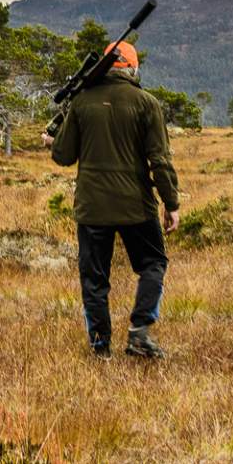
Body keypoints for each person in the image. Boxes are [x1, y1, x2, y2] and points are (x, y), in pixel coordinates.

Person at [49, 40, 181, 358]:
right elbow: (160, 160)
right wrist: (171, 203)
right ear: (132, 69)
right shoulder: (146, 103)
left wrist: (53, 138)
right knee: (153, 263)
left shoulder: (81, 101)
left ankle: (100, 347)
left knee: (94, 278)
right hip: (137, 206)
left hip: (92, 208)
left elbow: (63, 156)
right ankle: (139, 332)